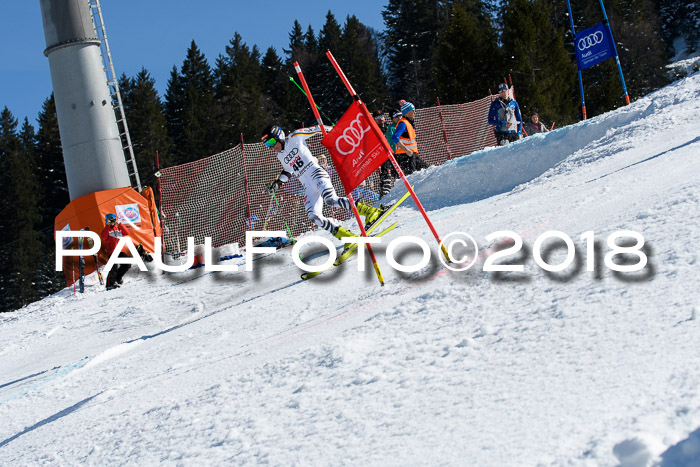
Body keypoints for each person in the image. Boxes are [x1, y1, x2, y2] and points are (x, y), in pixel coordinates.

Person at [261, 125, 384, 241]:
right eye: (267, 145)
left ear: (279, 136)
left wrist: (335, 131)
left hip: (317, 175)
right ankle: (347, 237)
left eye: (271, 142)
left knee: (331, 200)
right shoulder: (280, 156)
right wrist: (278, 183)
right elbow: (288, 171)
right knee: (314, 216)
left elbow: (318, 128)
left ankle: (370, 211)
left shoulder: (295, 137)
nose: (270, 147)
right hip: (307, 186)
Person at [391, 101, 429, 175]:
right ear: (407, 112)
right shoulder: (403, 123)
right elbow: (394, 137)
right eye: (413, 111)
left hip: (412, 155)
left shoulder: (409, 123)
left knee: (428, 171)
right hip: (406, 156)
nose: (414, 112)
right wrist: (406, 150)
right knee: (412, 178)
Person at [101, 213, 131, 290]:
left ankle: (117, 278)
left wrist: (119, 224)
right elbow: (104, 237)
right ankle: (109, 284)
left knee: (127, 264)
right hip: (112, 251)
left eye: (113, 221)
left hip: (121, 250)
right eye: (110, 221)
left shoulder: (118, 228)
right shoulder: (106, 230)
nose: (112, 223)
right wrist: (107, 226)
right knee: (113, 267)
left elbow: (127, 232)